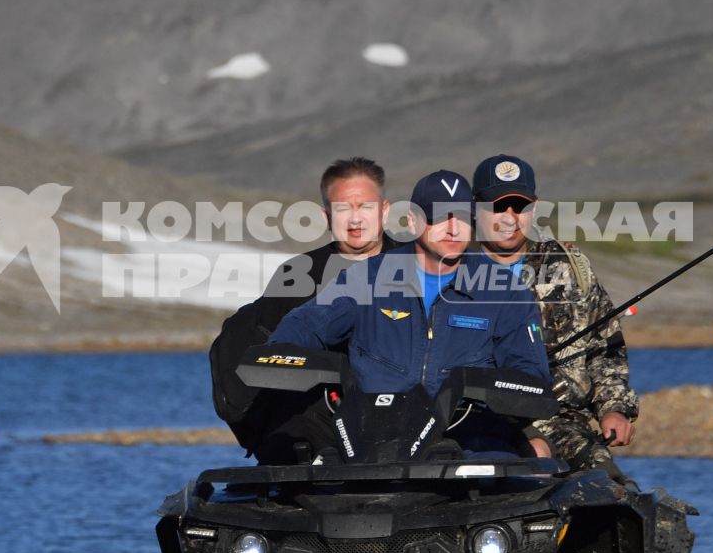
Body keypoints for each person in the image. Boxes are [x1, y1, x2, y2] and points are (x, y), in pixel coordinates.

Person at [267, 170, 551, 458]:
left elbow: (530, 375)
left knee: (531, 460)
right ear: (414, 221)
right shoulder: (367, 278)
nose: (453, 229)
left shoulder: (505, 292)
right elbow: (306, 324)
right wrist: (279, 355)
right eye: (440, 218)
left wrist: (485, 390)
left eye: (463, 218)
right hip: (370, 439)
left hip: (466, 439)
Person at [208, 157, 398, 457]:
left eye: (365, 207)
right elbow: (263, 361)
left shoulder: (417, 268)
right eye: (343, 208)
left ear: (384, 210)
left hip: (403, 416)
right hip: (317, 423)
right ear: (326, 215)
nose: (355, 220)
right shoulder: (298, 275)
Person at [472, 153, 640, 477]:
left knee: (611, 487)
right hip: (483, 419)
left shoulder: (567, 267)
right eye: (497, 206)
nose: (509, 217)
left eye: (518, 207)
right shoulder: (453, 269)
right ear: (475, 207)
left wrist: (613, 408)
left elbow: (605, 346)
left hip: (563, 421)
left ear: (533, 208)